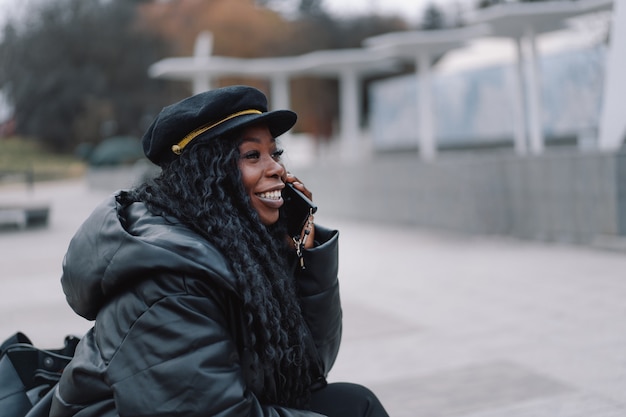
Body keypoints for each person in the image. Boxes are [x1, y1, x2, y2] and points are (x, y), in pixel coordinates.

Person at [50, 85, 389, 417]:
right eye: (253, 155)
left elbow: (309, 372)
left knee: (357, 404)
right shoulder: (168, 278)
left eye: (275, 153)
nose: (278, 169)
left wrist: (305, 253)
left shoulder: (240, 246)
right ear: (208, 174)